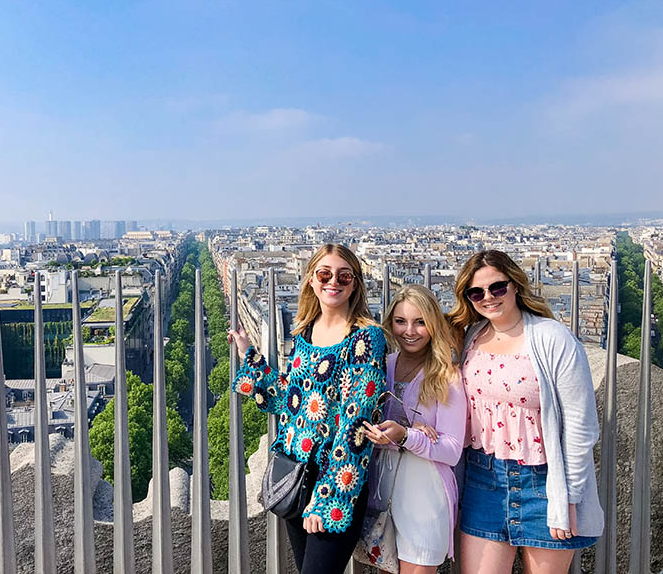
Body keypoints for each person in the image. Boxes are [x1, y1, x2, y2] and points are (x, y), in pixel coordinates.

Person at [228, 243, 387, 574]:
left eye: (345, 275)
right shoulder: (304, 332)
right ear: (311, 280)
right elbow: (290, 400)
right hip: (296, 477)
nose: (334, 282)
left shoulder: (366, 339)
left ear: (356, 283)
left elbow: (356, 425)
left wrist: (329, 499)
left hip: (334, 483)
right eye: (325, 274)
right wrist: (249, 354)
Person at [448, 250, 603, 574]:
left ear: (515, 285)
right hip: (483, 479)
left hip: (545, 485)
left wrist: (569, 498)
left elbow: (581, 426)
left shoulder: (553, 339)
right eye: (477, 293)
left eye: (497, 288)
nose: (488, 297)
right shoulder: (471, 337)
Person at [364, 285, 466, 573]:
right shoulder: (382, 366)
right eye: (401, 322)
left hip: (425, 497)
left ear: (433, 324)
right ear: (390, 324)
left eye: (420, 322)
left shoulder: (447, 376)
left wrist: (408, 435)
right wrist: (407, 431)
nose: (409, 330)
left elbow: (452, 450)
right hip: (382, 493)